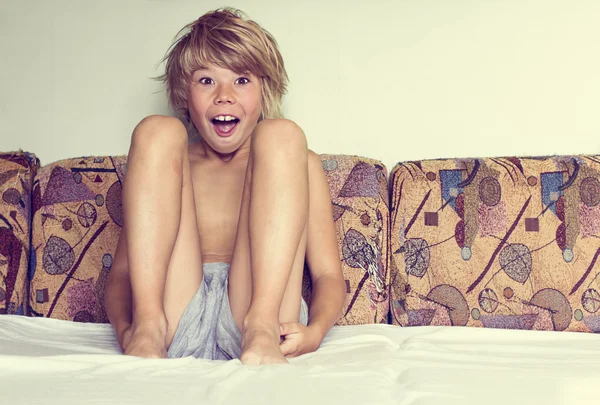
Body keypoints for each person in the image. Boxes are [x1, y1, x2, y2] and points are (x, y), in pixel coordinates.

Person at [104, 7, 346, 365]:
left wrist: (315, 332)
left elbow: (327, 275)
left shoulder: (297, 165)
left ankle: (260, 326)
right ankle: (148, 328)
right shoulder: (169, 166)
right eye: (206, 81)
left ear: (266, 91)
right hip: (173, 319)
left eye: (242, 80)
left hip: (260, 316)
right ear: (184, 95)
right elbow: (123, 274)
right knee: (157, 131)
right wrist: (130, 327)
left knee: (283, 136)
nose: (224, 95)